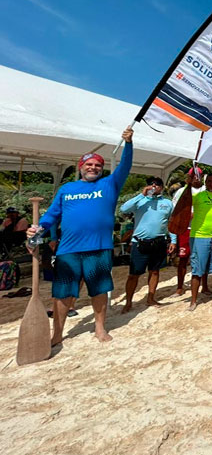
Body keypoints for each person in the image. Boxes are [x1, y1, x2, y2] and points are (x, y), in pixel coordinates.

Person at [28, 126, 133, 344]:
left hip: (99, 247)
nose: (93, 167)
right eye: (89, 164)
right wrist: (37, 230)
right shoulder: (67, 189)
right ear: (81, 167)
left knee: (99, 290)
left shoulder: (109, 184)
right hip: (69, 250)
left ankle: (100, 328)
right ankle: (57, 333)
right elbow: (51, 216)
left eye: (97, 165)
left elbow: (125, 166)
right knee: (63, 292)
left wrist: (129, 144)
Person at [119, 176, 176, 313]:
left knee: (155, 271)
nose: (154, 186)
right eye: (151, 184)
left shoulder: (167, 203)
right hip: (140, 242)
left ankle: (151, 298)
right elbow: (124, 209)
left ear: (162, 187)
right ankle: (128, 302)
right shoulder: (141, 201)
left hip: (159, 241)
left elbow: (171, 223)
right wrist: (141, 194)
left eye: (157, 184)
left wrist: (173, 240)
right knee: (134, 274)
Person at [174, 171, 212, 310]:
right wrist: (188, 184)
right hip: (199, 236)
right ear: (205, 183)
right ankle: (193, 301)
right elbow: (182, 202)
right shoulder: (197, 196)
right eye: (209, 181)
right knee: (198, 269)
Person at [171, 168, 205, 295]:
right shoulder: (181, 191)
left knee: (202, 258)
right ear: (189, 176)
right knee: (183, 258)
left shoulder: (205, 190)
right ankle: (180, 287)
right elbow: (175, 211)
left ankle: (204, 285)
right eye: (193, 175)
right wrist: (186, 215)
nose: (196, 177)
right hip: (186, 229)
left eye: (199, 175)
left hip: (201, 228)